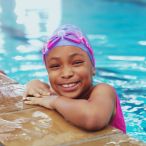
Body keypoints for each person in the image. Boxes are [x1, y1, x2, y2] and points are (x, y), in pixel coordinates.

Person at [23, 24, 126, 133]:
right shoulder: (56, 92)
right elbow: (43, 91)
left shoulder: (104, 91)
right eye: (55, 66)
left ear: (93, 68)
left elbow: (93, 119)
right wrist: (34, 84)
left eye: (77, 63)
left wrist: (55, 101)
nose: (66, 74)